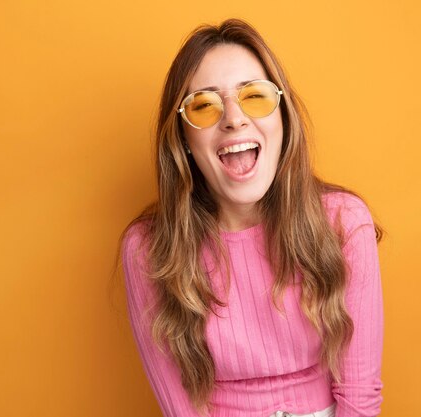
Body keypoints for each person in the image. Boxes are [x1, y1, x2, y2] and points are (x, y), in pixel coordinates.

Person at [120, 18, 384, 417]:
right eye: (204, 105)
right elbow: (181, 410)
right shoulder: (148, 250)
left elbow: (360, 394)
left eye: (255, 97)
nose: (234, 118)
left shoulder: (344, 223)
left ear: (283, 118)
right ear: (184, 141)